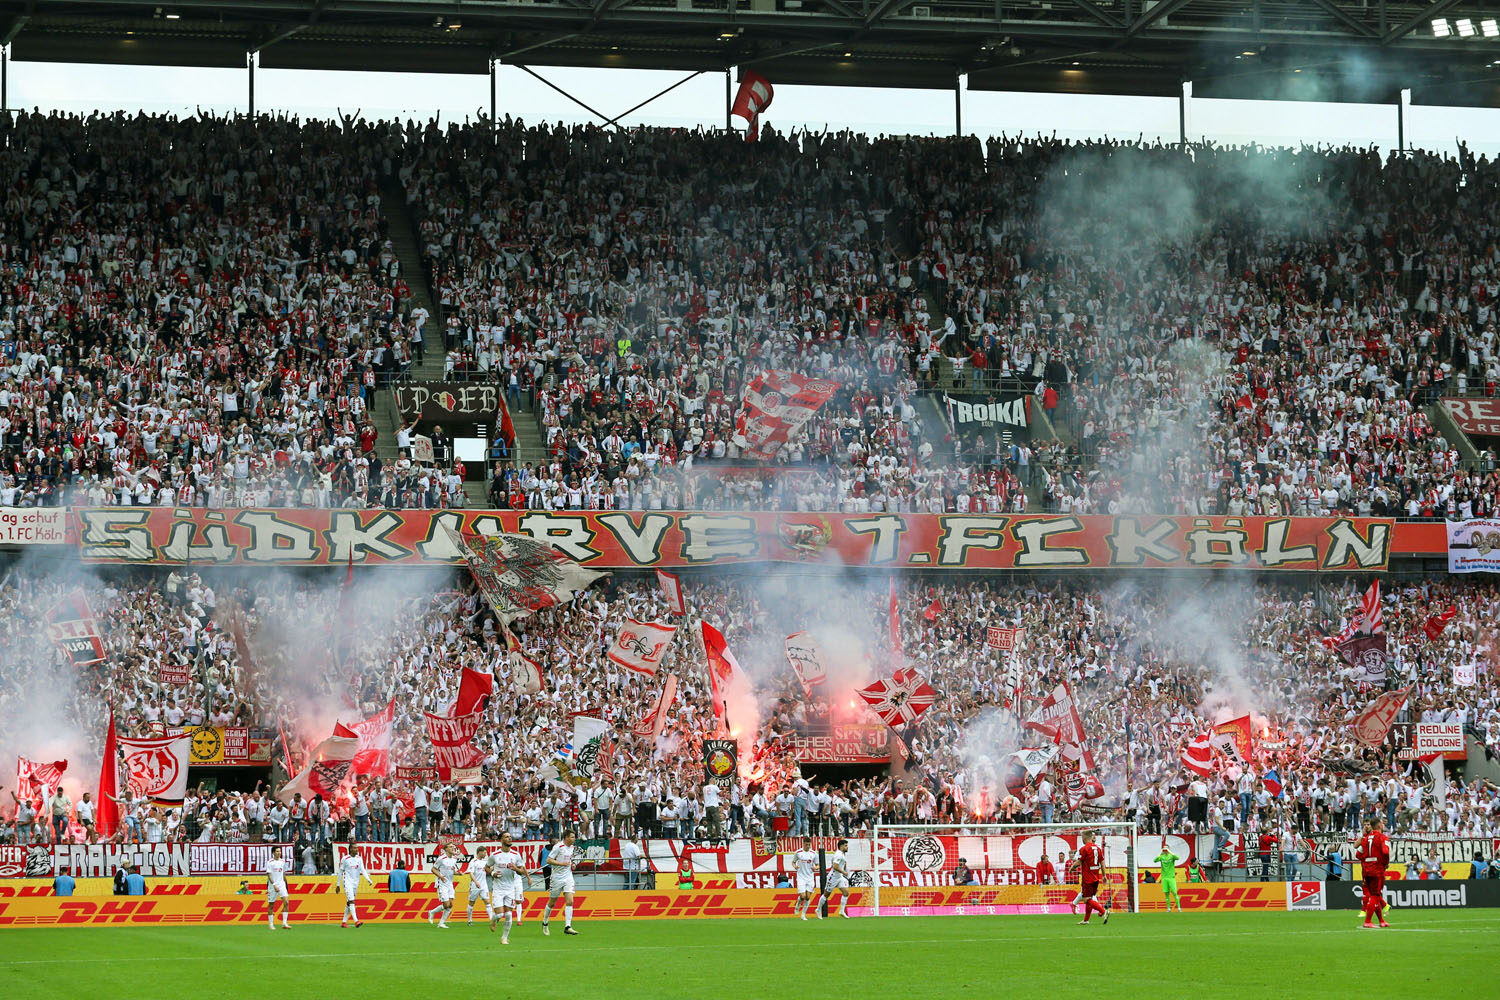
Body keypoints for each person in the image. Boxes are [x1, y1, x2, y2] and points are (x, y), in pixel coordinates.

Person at [540, 829, 581, 936]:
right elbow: (548, 860)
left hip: (568, 877)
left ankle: (568, 926)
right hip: (556, 878)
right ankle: (545, 922)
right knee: (552, 902)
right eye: (572, 837)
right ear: (566, 837)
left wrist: (572, 864)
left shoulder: (572, 848)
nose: (574, 839)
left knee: (570, 901)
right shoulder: (558, 847)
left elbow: (569, 859)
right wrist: (561, 863)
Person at [492, 832, 529, 943]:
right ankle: (493, 920)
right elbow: (487, 867)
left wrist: (516, 869)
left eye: (510, 836)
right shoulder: (495, 855)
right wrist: (493, 873)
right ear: (501, 840)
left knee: (508, 914)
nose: (509, 838)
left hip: (510, 889)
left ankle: (504, 937)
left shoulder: (516, 855)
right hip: (498, 889)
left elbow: (522, 871)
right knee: (499, 914)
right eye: (506, 837)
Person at [1358, 818, 1391, 929]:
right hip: (1377, 870)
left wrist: (1367, 860)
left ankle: (1381, 921)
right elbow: (1385, 852)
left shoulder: (1366, 838)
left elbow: (1358, 854)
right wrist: (1385, 863)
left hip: (1367, 870)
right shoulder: (1382, 837)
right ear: (1379, 826)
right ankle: (1367, 921)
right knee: (1376, 896)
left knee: (1374, 896)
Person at [338, 842, 376, 927]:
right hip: (347, 882)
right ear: (351, 849)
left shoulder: (359, 858)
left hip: (356, 883)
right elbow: (340, 872)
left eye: (357, 848)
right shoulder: (345, 859)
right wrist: (338, 885)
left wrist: (368, 879)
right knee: (351, 900)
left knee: (349, 902)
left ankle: (344, 922)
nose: (357, 850)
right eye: (355, 848)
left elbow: (362, 870)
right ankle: (356, 921)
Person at [1076, 832, 1109, 926]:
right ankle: (1086, 920)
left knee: (1086, 899)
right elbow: (1102, 862)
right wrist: (1104, 875)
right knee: (1089, 898)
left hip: (1087, 878)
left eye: (1082, 837)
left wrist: (1072, 868)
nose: (1082, 839)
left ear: (1086, 837)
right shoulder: (1098, 848)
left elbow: (1079, 861)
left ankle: (1103, 911)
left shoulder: (1084, 848)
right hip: (1096, 877)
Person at [428, 842, 460, 928]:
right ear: (446, 849)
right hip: (442, 883)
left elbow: (452, 871)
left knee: (450, 905)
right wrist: (440, 876)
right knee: (446, 904)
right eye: (450, 847)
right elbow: (433, 869)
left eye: (453, 847)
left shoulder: (454, 859)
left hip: (450, 883)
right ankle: (432, 912)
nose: (453, 848)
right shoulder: (441, 858)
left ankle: (441, 923)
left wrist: (458, 873)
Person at [822, 839, 853, 918]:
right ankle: (818, 909)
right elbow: (835, 866)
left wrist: (844, 868)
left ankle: (842, 911)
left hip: (839, 877)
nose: (847, 847)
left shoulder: (842, 854)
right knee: (826, 895)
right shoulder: (838, 854)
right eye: (845, 845)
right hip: (833, 877)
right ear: (841, 846)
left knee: (846, 892)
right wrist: (844, 872)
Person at [466, 846, 494, 927]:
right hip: (475, 885)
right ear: (479, 852)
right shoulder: (473, 861)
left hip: (484, 885)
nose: (485, 854)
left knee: (487, 902)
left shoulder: (485, 862)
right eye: (484, 852)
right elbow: (471, 873)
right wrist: (476, 882)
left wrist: (493, 866)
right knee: (471, 903)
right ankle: (469, 920)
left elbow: (489, 870)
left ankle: (492, 920)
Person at [266, 845, 292, 930]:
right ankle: (271, 924)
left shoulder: (282, 862)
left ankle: (284, 923)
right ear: (273, 852)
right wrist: (274, 885)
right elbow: (269, 875)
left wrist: (286, 884)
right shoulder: (270, 862)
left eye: (280, 851)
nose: (279, 853)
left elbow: (284, 874)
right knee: (271, 905)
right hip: (272, 885)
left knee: (286, 902)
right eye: (277, 851)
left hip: (281, 884)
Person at [792, 845, 819, 921]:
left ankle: (803, 915)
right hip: (801, 877)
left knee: (807, 897)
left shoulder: (813, 853)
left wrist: (816, 868)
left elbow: (818, 865)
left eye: (809, 845)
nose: (808, 846)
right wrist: (795, 866)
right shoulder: (798, 852)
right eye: (806, 845)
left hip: (810, 877)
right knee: (802, 896)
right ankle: (798, 905)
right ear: (803, 844)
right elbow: (793, 862)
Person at [1154, 846, 1183, 913]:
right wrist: (1161, 853)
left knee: (1174, 892)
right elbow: (1155, 860)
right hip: (1164, 877)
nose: (1165, 849)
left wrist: (1170, 851)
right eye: (1164, 848)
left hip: (1171, 877)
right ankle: (1169, 909)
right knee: (1166, 893)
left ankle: (1179, 908)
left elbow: (1177, 857)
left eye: (1166, 848)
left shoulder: (1171, 856)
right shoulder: (1162, 857)